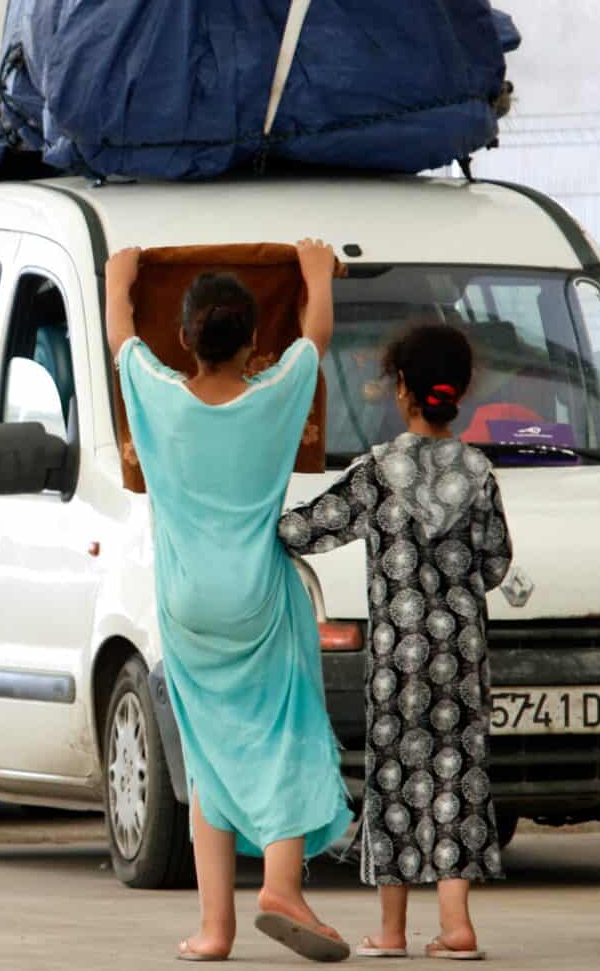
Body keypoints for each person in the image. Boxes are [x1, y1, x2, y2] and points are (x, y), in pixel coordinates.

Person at [108, 239, 355, 964]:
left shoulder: (156, 395)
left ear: (184, 337)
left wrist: (120, 276)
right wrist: (313, 272)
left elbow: (122, 337)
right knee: (285, 731)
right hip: (258, 596)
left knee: (208, 749)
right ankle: (280, 884)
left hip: (186, 606)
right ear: (253, 342)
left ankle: (215, 928)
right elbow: (315, 338)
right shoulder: (274, 397)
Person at [278, 323, 514, 961]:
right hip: (462, 658)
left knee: (395, 777)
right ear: (461, 391)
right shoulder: (480, 472)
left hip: (395, 664)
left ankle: (389, 931)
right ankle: (457, 924)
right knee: (456, 776)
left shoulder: (380, 472)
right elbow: (496, 565)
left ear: (402, 389)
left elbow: (304, 531)